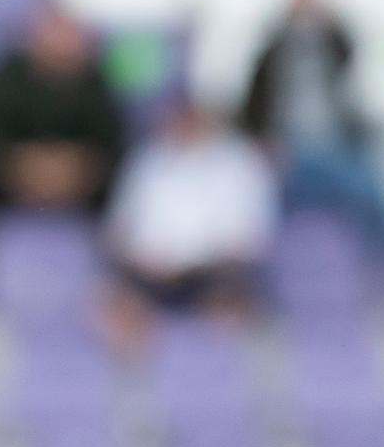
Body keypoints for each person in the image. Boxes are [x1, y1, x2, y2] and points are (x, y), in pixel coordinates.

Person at [103, 96, 276, 351]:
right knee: (112, 310)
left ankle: (215, 381)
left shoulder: (240, 163)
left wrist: (197, 260)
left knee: (229, 308)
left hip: (216, 274)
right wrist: (146, 260)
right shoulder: (147, 161)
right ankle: (137, 387)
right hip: (151, 274)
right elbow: (119, 229)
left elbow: (253, 236)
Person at [240, 0, 384, 255]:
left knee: (371, 194)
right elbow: (251, 110)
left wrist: (327, 15)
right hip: (289, 150)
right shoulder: (272, 53)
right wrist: (264, 143)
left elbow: (349, 49)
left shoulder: (330, 46)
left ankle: (380, 265)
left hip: (335, 146)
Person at [0, 6, 124, 223]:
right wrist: (25, 167)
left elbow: (108, 142)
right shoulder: (9, 74)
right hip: (13, 174)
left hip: (79, 180)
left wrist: (70, 169)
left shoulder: (95, 81)